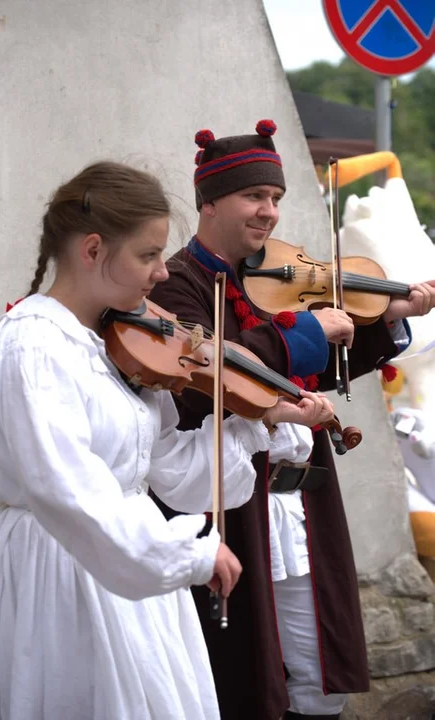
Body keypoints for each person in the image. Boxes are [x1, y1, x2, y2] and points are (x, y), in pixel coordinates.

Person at [0, 160, 336, 720]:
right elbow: (66, 490)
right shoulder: (34, 347)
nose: (163, 273)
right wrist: (179, 552)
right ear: (92, 250)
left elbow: (173, 472)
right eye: (147, 255)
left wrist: (257, 420)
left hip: (129, 567)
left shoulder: (120, 345)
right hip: (66, 569)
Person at [149, 121, 435, 720]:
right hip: (231, 500)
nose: (270, 212)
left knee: (320, 672)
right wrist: (303, 333)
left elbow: (319, 365)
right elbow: (204, 377)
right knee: (244, 671)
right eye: (254, 196)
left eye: (276, 198)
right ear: (209, 200)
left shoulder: (279, 277)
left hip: (299, 503)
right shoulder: (178, 283)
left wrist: (387, 318)